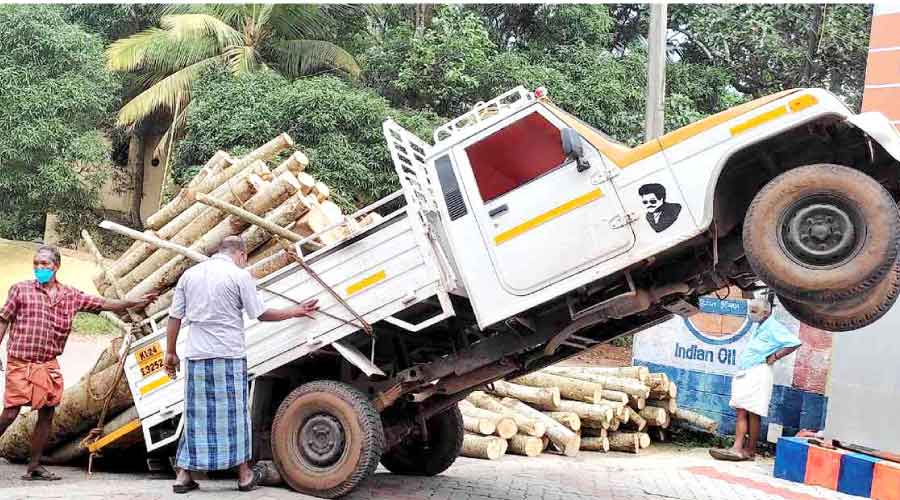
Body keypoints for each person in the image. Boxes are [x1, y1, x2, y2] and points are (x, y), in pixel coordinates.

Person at [164, 236, 318, 494]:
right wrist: (295, 311)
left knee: (196, 415)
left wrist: (170, 353)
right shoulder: (239, 276)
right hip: (229, 355)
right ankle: (245, 475)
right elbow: (260, 313)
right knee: (234, 416)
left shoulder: (190, 275)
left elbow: (174, 317)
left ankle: (183, 476)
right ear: (241, 255)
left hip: (197, 355)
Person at [0, 245, 158, 480]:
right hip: (21, 362)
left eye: (45, 264)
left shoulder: (70, 296)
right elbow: (3, 320)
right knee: (11, 413)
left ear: (56, 267)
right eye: (36, 264)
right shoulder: (20, 290)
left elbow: (104, 304)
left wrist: (133, 302)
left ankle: (34, 466)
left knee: (47, 413)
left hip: (48, 363)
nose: (39, 268)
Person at [709, 297, 802, 461]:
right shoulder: (761, 326)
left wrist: (775, 356)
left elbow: (794, 342)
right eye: (750, 311)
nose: (750, 314)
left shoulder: (772, 326)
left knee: (743, 411)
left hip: (757, 372)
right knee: (751, 412)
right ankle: (749, 451)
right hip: (750, 371)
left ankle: (737, 448)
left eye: (754, 311)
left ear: (766, 312)